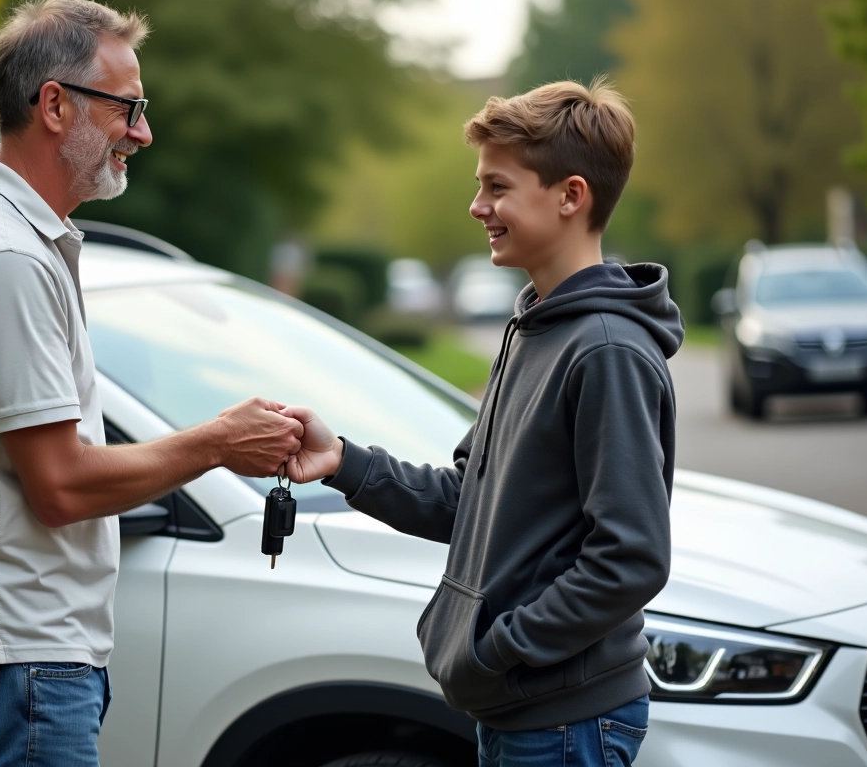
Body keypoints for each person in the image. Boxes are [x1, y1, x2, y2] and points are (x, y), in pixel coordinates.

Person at [0, 0, 302, 767]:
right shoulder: (5, 258)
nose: (142, 132)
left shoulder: (9, 238)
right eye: (128, 107)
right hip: (16, 662)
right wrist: (217, 443)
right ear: (54, 105)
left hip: (14, 661)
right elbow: (61, 487)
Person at [283, 79, 683, 767]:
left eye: (497, 188)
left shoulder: (607, 351)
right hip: (519, 709)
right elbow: (470, 502)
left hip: (563, 722)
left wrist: (502, 650)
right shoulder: (535, 327)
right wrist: (344, 462)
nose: (478, 207)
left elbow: (631, 557)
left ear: (570, 196)